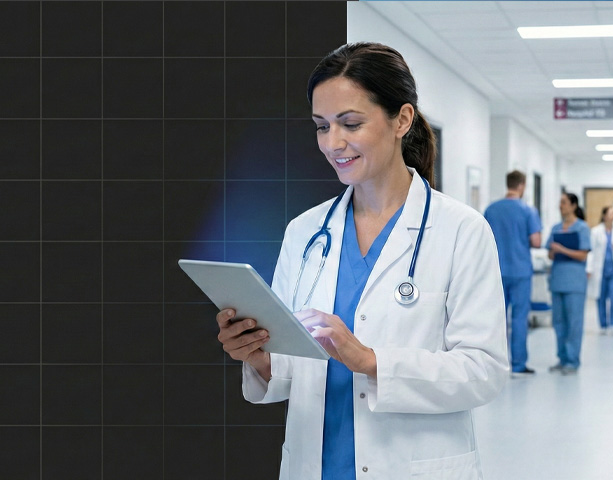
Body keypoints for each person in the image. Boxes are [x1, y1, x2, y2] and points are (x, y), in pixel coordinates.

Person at [215, 43, 509, 479]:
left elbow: (484, 369)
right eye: (321, 126)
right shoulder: (305, 232)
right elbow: (290, 365)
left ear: (402, 120)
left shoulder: (461, 230)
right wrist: (258, 356)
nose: (333, 143)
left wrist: (370, 360)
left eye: (350, 123)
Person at [484, 170, 542, 376]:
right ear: (522, 186)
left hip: (496, 272)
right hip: (520, 271)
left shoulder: (491, 209)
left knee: (496, 320)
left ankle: (495, 365)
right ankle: (518, 364)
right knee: (519, 318)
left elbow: (483, 240)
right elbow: (536, 241)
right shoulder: (528, 211)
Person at [546, 193, 591, 374]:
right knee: (559, 322)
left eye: (564, 203)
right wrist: (553, 251)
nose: (561, 206)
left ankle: (572, 360)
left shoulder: (582, 228)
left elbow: (583, 255)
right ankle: (562, 358)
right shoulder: (556, 228)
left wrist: (562, 249)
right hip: (558, 280)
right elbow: (549, 253)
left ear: (573, 205)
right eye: (560, 202)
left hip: (574, 282)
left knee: (574, 322)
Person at [587, 206, 613, 335]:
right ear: (604, 215)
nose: (612, 216)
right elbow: (591, 251)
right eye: (610, 214)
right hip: (600, 270)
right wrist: (589, 268)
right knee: (600, 298)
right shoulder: (595, 231)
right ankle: (603, 325)